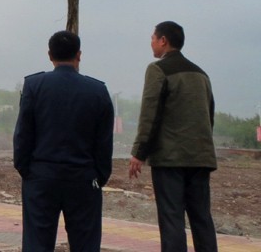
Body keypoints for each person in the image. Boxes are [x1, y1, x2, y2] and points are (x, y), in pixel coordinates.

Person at [13, 30, 114, 252]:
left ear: (50, 55)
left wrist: (27, 171)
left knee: (37, 243)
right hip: (84, 179)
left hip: (41, 178)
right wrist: (98, 177)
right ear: (79, 54)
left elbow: (23, 136)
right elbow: (104, 143)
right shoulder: (98, 91)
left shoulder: (34, 86)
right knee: (85, 244)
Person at [128, 21, 218, 252]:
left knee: (171, 220)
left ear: (163, 41)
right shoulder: (201, 74)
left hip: (170, 160)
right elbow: (209, 115)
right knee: (202, 219)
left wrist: (139, 153)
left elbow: (150, 113)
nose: (151, 43)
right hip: (201, 158)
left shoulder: (158, 69)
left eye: (152, 38)